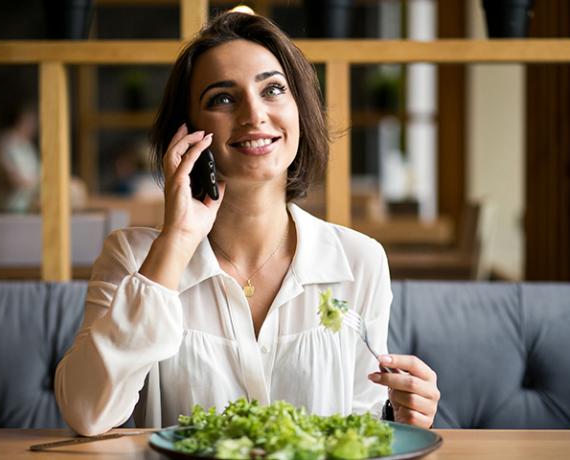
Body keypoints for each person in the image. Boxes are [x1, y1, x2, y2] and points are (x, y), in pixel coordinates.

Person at [55, 11, 440, 437]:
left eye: (273, 89)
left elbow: (360, 424)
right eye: (222, 98)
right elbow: (87, 412)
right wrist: (178, 240)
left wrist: (399, 418)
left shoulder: (359, 260)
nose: (254, 114)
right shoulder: (133, 258)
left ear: (299, 110)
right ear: (187, 132)